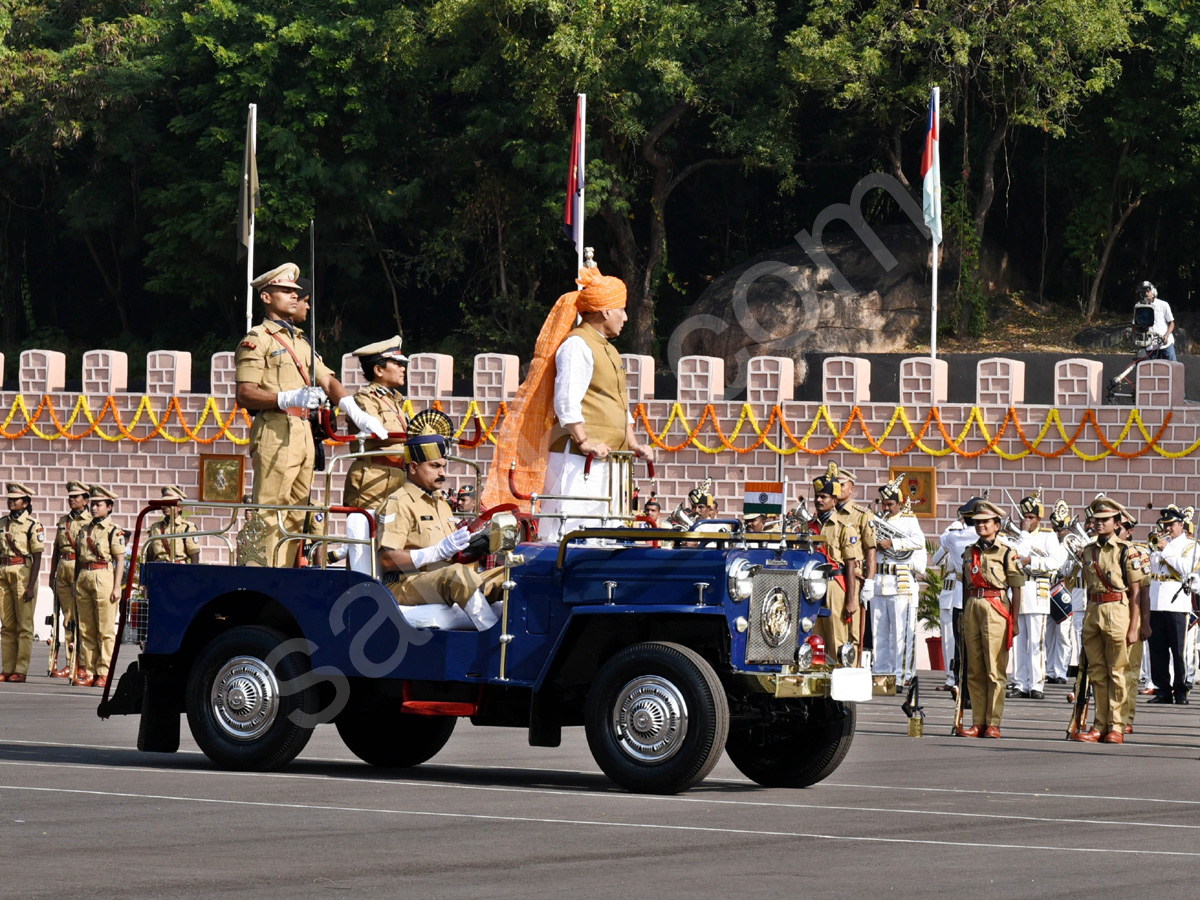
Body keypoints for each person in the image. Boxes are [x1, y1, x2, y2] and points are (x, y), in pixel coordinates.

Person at [481, 265, 652, 538]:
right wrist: (585, 442)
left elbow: (620, 406)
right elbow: (566, 401)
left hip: (609, 461)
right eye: (621, 309)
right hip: (577, 459)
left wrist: (634, 444)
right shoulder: (577, 345)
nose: (626, 317)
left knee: (606, 535)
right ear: (606, 311)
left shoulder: (609, 349)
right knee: (571, 532)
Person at [235, 262, 386, 567]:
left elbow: (328, 380)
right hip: (275, 430)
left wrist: (356, 412)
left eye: (295, 291)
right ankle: (257, 573)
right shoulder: (258, 339)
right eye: (286, 291)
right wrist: (285, 397)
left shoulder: (301, 341)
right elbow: (245, 393)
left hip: (303, 433)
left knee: (297, 512)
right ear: (266, 297)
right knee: (269, 509)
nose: (295, 296)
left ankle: (286, 572)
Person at [376, 410, 503, 630]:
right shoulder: (399, 502)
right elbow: (387, 559)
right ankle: (495, 641)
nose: (443, 473)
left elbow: (452, 554)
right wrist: (435, 552)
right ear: (414, 467)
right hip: (407, 584)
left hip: (445, 579)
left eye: (444, 466)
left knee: (510, 573)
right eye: (435, 466)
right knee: (458, 575)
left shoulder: (441, 503)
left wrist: (480, 545)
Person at [1071, 496, 1143, 744]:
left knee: (1118, 672)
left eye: (1105, 520)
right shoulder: (1089, 550)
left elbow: (1136, 592)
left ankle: (1117, 725)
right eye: (1096, 520)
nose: (1099, 524)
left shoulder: (1127, 551)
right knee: (1097, 672)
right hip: (1093, 609)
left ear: (1117, 522)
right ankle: (1099, 724)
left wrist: (1135, 627)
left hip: (1118, 609)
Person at [342, 336, 410, 573]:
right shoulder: (363, 399)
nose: (403, 368)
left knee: (388, 547)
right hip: (372, 480)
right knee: (363, 550)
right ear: (378, 369)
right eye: (398, 364)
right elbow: (379, 433)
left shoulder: (395, 401)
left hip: (396, 479)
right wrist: (417, 436)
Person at [957, 499, 1025, 739]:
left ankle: (993, 722)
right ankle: (978, 721)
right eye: (977, 522)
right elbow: (965, 584)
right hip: (973, 606)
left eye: (985, 522)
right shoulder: (969, 551)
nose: (980, 526)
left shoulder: (1007, 552)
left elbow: (1016, 588)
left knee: (995, 669)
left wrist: (1014, 621)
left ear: (997, 525)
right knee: (975, 670)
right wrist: (963, 613)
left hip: (996, 607)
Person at [1009, 490, 1067, 700]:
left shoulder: (1048, 537)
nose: (1026, 521)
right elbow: (1016, 558)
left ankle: (1037, 684)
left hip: (1038, 592)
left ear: (1039, 519)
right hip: (1019, 593)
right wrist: (1023, 535)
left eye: (1030, 517)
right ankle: (1020, 683)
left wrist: (1032, 562)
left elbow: (1055, 562)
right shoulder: (1018, 537)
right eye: (1024, 517)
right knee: (1018, 642)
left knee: (1036, 642)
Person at [868, 473, 925, 685]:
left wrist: (893, 543)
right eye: (884, 503)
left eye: (890, 504)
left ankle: (902, 676)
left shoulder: (909, 520)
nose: (886, 508)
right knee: (879, 633)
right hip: (879, 581)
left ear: (899, 503)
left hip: (900, 581)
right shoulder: (877, 520)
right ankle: (880, 675)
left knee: (902, 633)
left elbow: (918, 542)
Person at [808, 463, 862, 665]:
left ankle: (840, 691)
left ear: (834, 499)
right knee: (814, 640)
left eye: (824, 497)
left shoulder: (844, 528)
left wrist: (851, 599)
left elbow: (850, 565)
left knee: (837, 639)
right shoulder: (809, 526)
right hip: (812, 587)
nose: (819, 500)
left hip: (834, 585)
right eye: (817, 496)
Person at [73, 485, 126, 688]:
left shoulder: (113, 531)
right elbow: (79, 558)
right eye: (93, 504)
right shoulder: (84, 529)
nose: (94, 508)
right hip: (84, 576)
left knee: (104, 629)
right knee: (86, 628)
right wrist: (75, 581)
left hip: (104, 575)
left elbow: (120, 560)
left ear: (109, 507)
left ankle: (104, 671)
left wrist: (116, 587)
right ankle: (88, 670)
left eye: (99, 504)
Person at [932, 498, 981, 692]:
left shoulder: (953, 536)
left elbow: (937, 558)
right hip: (961, 589)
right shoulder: (985, 537)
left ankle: (954, 679)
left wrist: (955, 525)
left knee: (953, 639)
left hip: (958, 590)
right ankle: (962, 679)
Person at [1147, 505, 1195, 705]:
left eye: (1171, 525)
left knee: (1178, 651)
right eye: (1164, 525)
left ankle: (1181, 690)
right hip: (1156, 602)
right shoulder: (1158, 543)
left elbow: (1185, 569)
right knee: (1157, 650)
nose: (1166, 528)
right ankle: (1162, 690)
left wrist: (1165, 550)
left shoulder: (1190, 546)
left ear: (1181, 525)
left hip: (1176, 604)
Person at [0, 483, 45, 684]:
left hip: (23, 574)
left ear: (26, 503)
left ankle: (21, 668)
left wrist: (31, 585)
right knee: (6, 625)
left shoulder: (32, 525)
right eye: (9, 498)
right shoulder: (2, 523)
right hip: (4, 573)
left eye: (15, 499)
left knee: (24, 625)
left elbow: (37, 556)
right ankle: (7, 667)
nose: (11, 501)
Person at [47, 481, 91, 678]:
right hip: (63, 568)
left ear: (86, 500)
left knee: (79, 618)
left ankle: (82, 663)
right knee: (66, 619)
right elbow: (56, 548)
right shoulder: (63, 521)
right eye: (70, 497)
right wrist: (51, 574)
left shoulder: (90, 521)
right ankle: (69, 662)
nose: (72, 499)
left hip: (78, 568)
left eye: (77, 497)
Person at [836, 470, 878, 641]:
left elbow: (871, 550)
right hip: (832, 574)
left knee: (852, 627)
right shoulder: (827, 512)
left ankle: (853, 664)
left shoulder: (862, 514)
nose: (837, 488)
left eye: (842, 485)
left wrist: (869, 581)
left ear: (851, 488)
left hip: (854, 575)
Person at [1046, 500, 1080, 685]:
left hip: (1064, 589)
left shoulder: (1071, 545)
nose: (1059, 532)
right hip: (1048, 591)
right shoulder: (1049, 542)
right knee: (1048, 634)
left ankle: (1060, 671)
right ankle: (1050, 670)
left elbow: (1070, 568)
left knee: (1063, 634)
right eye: (1056, 529)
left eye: (1062, 529)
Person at [144, 485, 200, 564]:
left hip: (179, 570)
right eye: (164, 503)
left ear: (180, 507)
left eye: (170, 504)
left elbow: (194, 557)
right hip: (158, 570)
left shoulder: (186, 528)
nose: (166, 507)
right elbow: (150, 556)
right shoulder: (155, 528)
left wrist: (193, 575)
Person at [1136, 281, 1177, 361]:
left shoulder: (1163, 304)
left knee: (1173, 366)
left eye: (1148, 291)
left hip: (1165, 344)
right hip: (1150, 345)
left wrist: (1166, 335)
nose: (1146, 294)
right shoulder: (1139, 307)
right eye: (1143, 292)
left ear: (1153, 291)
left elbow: (1171, 323)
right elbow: (1136, 324)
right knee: (1151, 370)